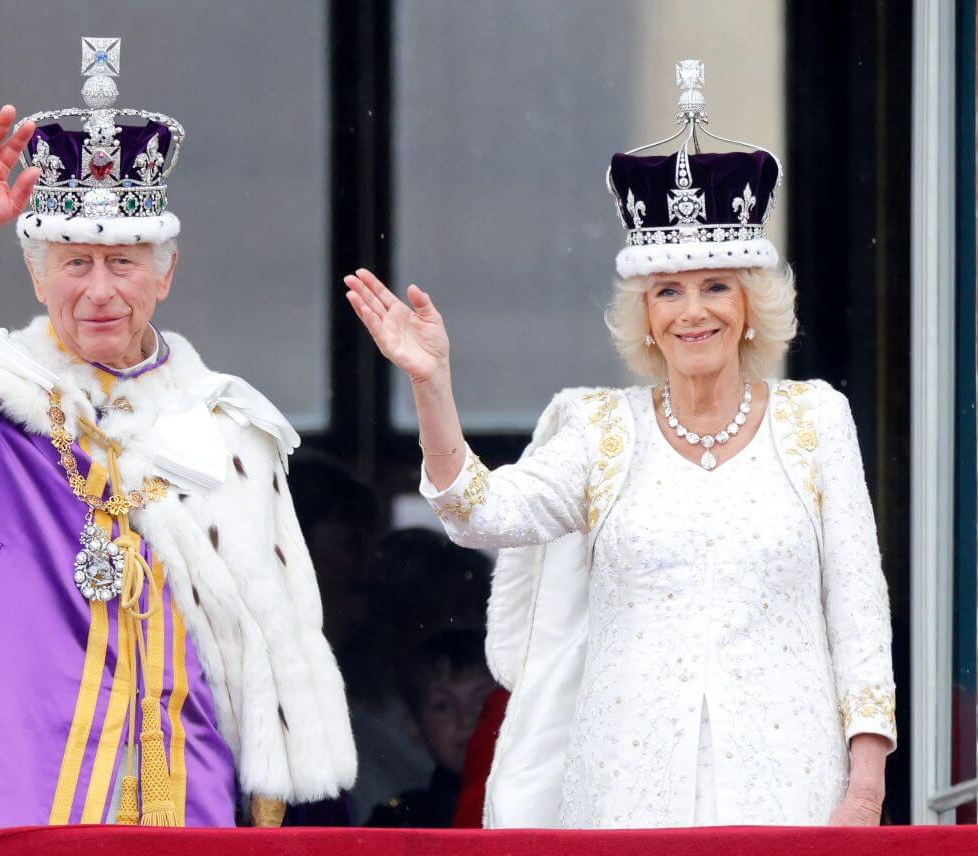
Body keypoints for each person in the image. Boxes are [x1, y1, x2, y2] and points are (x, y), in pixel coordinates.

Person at [0, 37, 355, 830]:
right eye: (74, 262)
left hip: (183, 784)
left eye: (123, 263)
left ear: (166, 273)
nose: (98, 291)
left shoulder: (227, 426)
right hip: (21, 784)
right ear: (35, 272)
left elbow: (267, 645)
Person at [344, 60, 895, 829]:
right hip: (626, 795)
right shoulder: (601, 430)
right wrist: (432, 383)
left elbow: (859, 615)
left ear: (750, 304)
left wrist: (863, 788)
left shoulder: (815, 421)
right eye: (667, 290)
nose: (691, 311)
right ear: (643, 313)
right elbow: (479, 514)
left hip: (791, 790)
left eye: (714, 286)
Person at [366, 629, 496, 828]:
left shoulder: (545, 803)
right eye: (442, 706)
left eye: (481, 700)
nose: (466, 720)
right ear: (414, 726)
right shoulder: (399, 824)